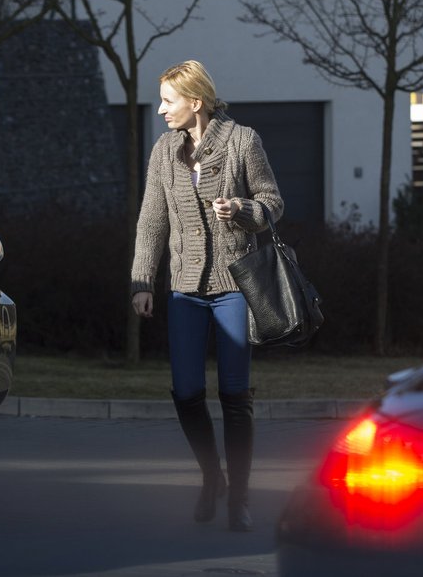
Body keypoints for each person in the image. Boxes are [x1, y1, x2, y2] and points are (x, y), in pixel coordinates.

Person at [130, 60, 283, 532]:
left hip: (235, 286)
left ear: (195, 102)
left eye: (168, 101)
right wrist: (141, 281)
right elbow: (152, 220)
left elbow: (272, 202)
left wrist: (241, 209)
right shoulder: (163, 150)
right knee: (186, 392)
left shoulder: (243, 141)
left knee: (235, 396)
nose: (160, 110)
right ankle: (211, 476)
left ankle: (238, 497)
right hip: (185, 290)